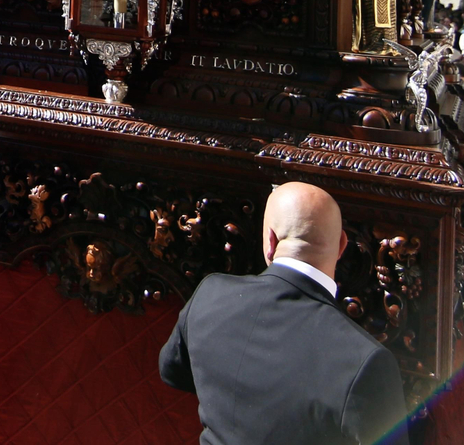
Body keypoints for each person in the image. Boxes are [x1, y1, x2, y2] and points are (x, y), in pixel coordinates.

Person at [158, 181, 405, 445]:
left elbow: (172, 371)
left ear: (271, 240)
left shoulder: (209, 293)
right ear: (342, 245)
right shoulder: (366, 360)